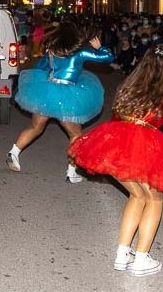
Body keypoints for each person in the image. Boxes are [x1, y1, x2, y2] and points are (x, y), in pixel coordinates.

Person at [68, 42, 163, 277]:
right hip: (143, 148)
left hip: (115, 144)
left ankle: (122, 254)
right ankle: (141, 259)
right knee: (155, 200)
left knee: (137, 195)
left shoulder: (130, 87)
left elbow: (117, 118)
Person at [8, 22, 112, 182]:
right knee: (76, 135)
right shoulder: (80, 52)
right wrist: (100, 48)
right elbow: (108, 58)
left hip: (48, 91)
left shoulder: (52, 51)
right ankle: (71, 172)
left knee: (35, 127)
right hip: (67, 96)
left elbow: (39, 68)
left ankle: (14, 152)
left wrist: (37, 83)